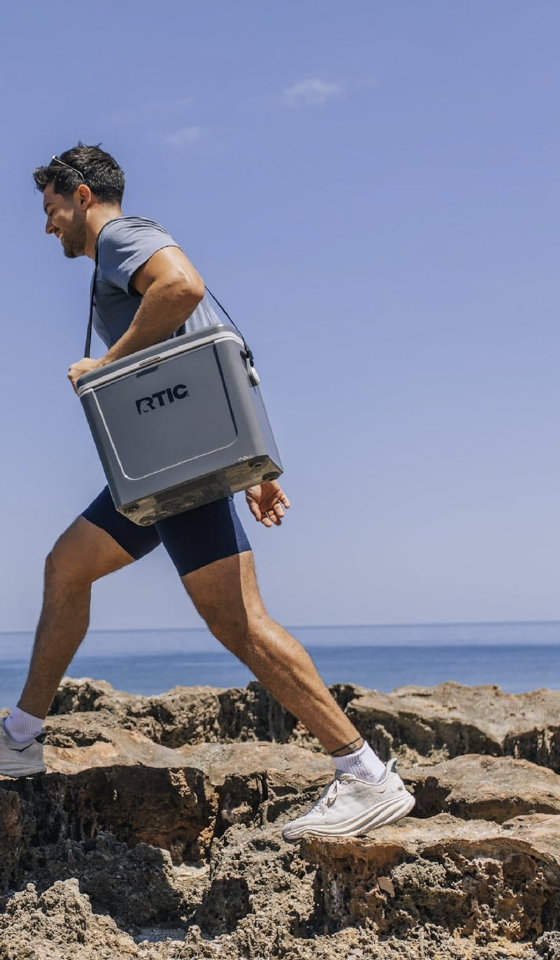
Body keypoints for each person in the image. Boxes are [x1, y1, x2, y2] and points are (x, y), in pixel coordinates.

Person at [0, 144, 415, 840]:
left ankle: (365, 774)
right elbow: (214, 341)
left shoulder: (119, 238)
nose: (47, 226)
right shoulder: (117, 254)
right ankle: (20, 737)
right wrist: (256, 464)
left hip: (177, 471)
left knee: (238, 622)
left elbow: (183, 289)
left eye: (49, 209)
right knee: (66, 568)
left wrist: (104, 364)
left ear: (78, 194)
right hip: (163, 468)